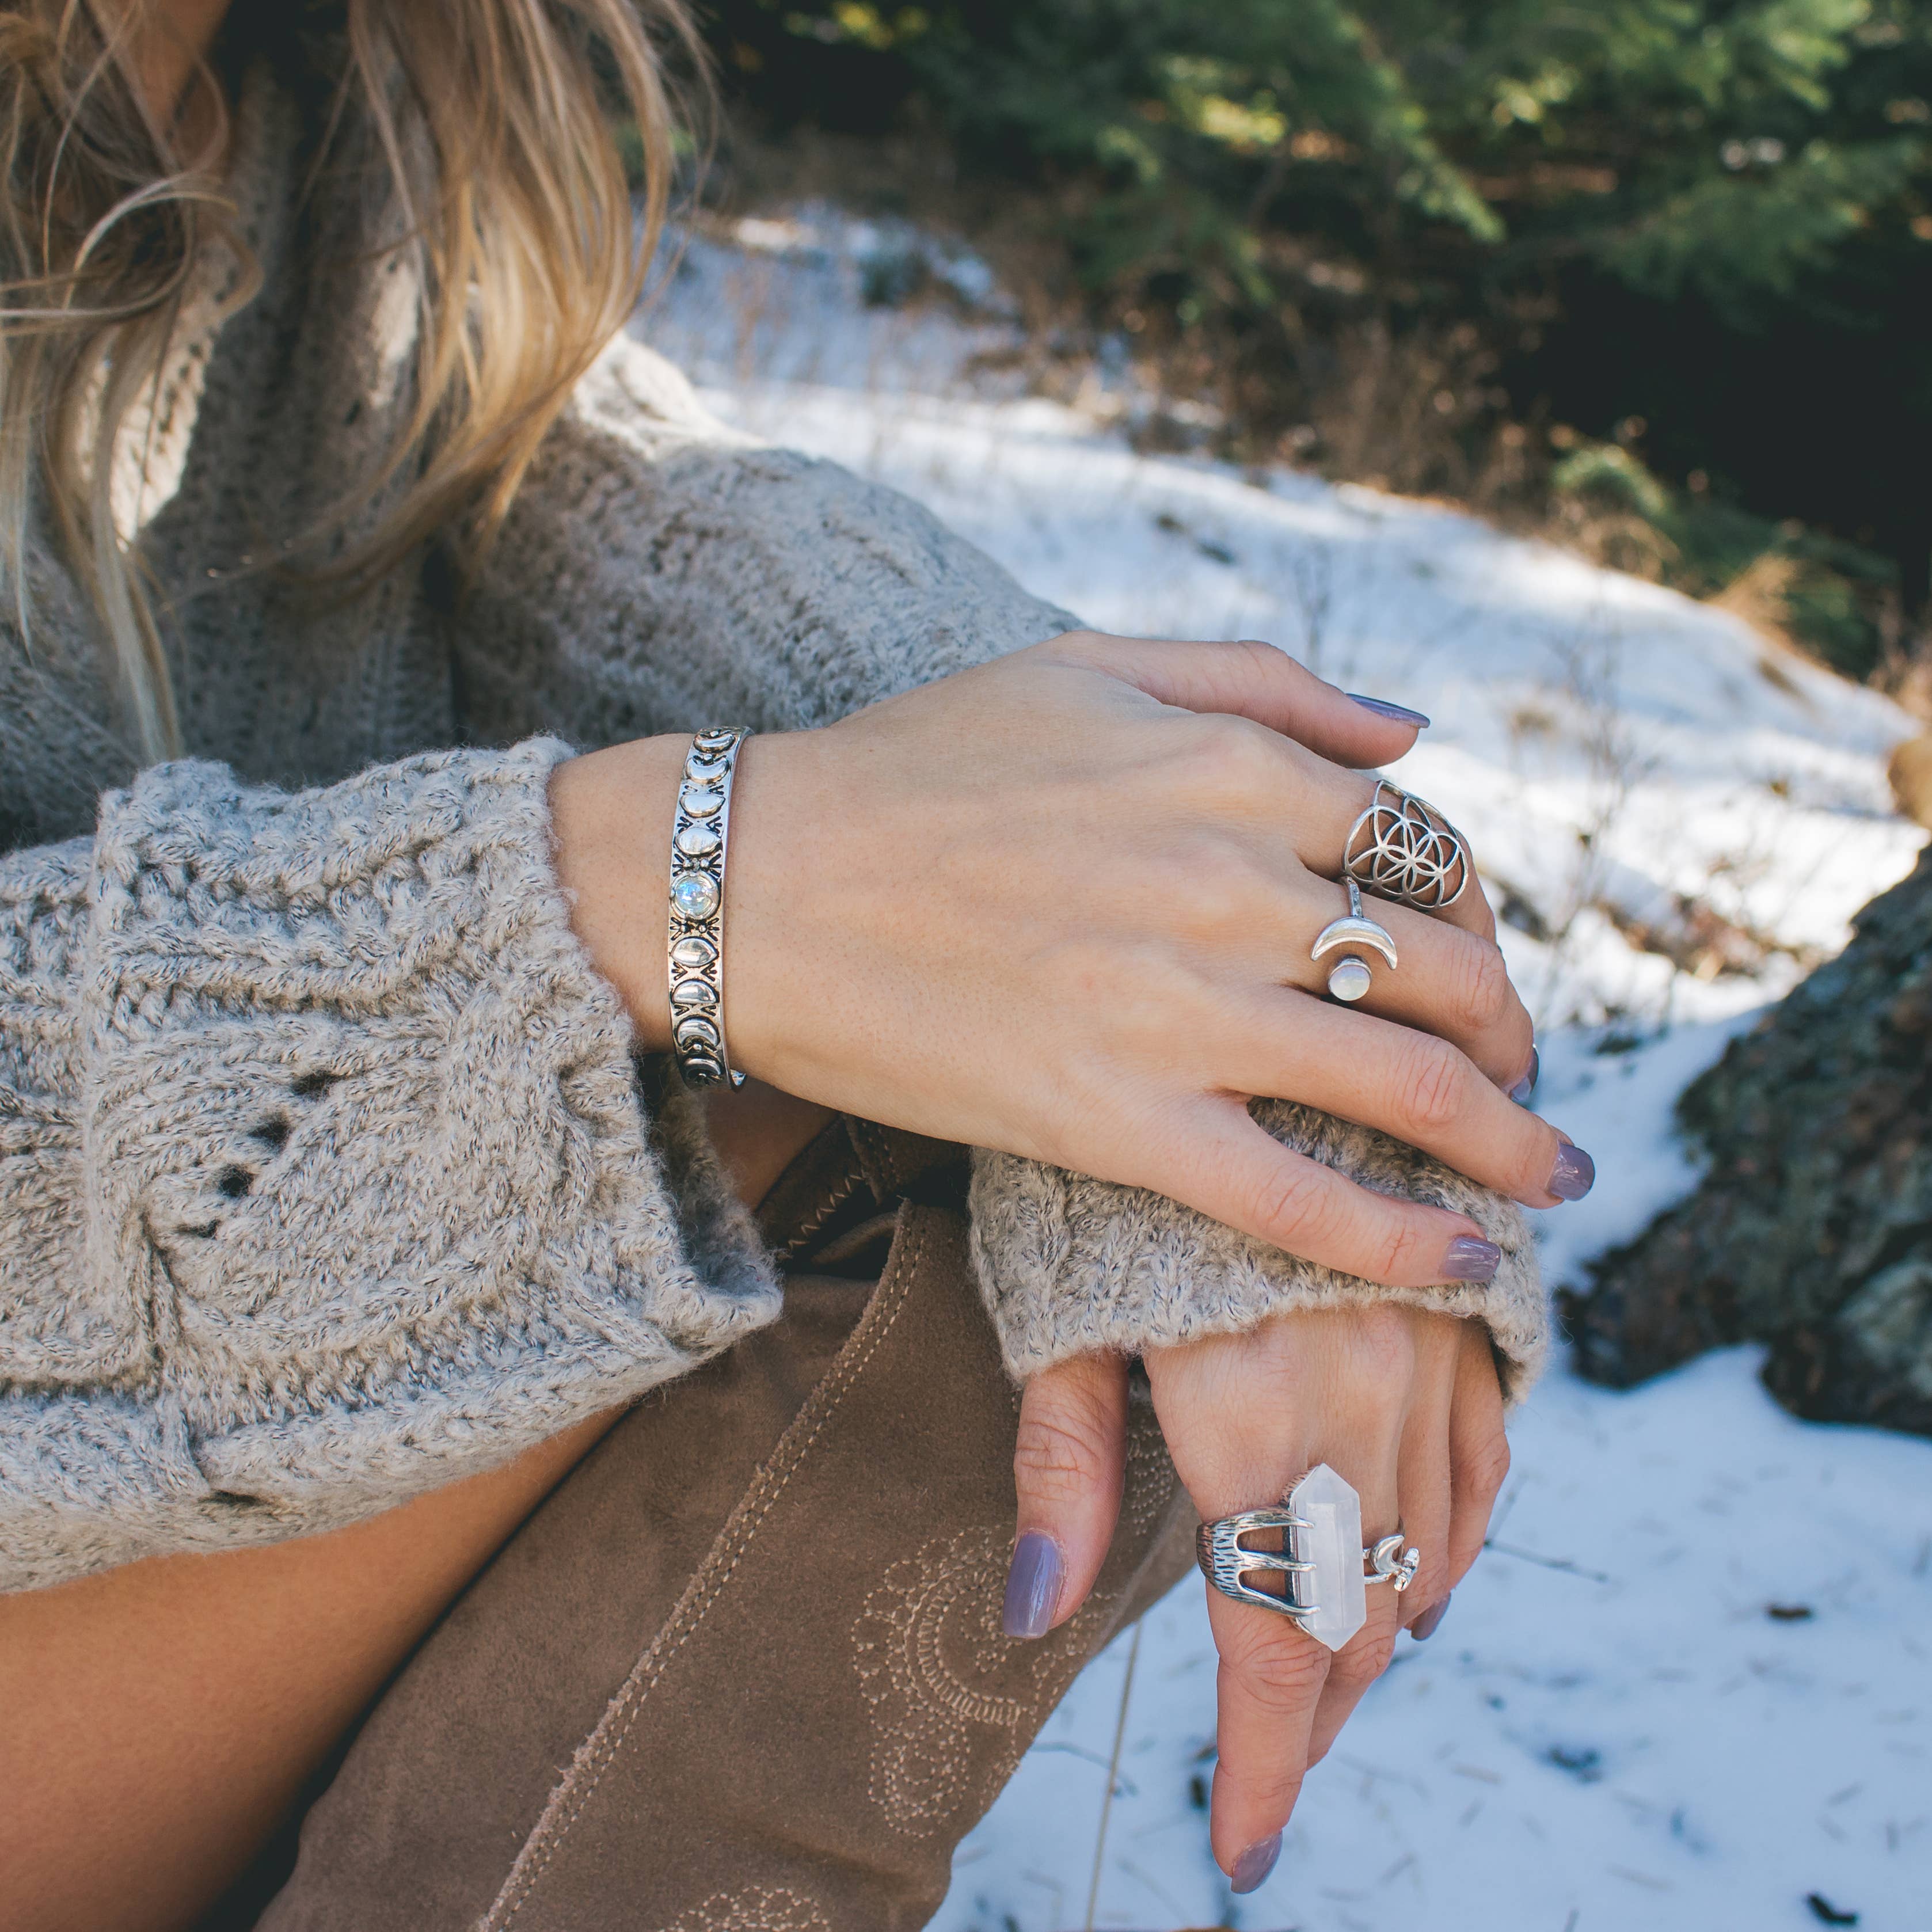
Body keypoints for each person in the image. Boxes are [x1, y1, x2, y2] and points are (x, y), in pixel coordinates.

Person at [0, 3, 1592, 1927]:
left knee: (1074, 1098)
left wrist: (1257, 1038)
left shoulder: (340, 149)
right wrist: (635, 891)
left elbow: (649, 524)